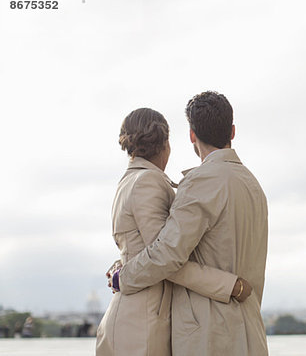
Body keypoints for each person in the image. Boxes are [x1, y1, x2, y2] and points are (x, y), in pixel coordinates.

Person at [110, 92, 269, 356]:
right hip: (249, 329)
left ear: (192, 135)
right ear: (232, 131)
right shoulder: (253, 185)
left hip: (208, 333)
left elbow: (166, 254)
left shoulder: (201, 182)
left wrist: (122, 275)